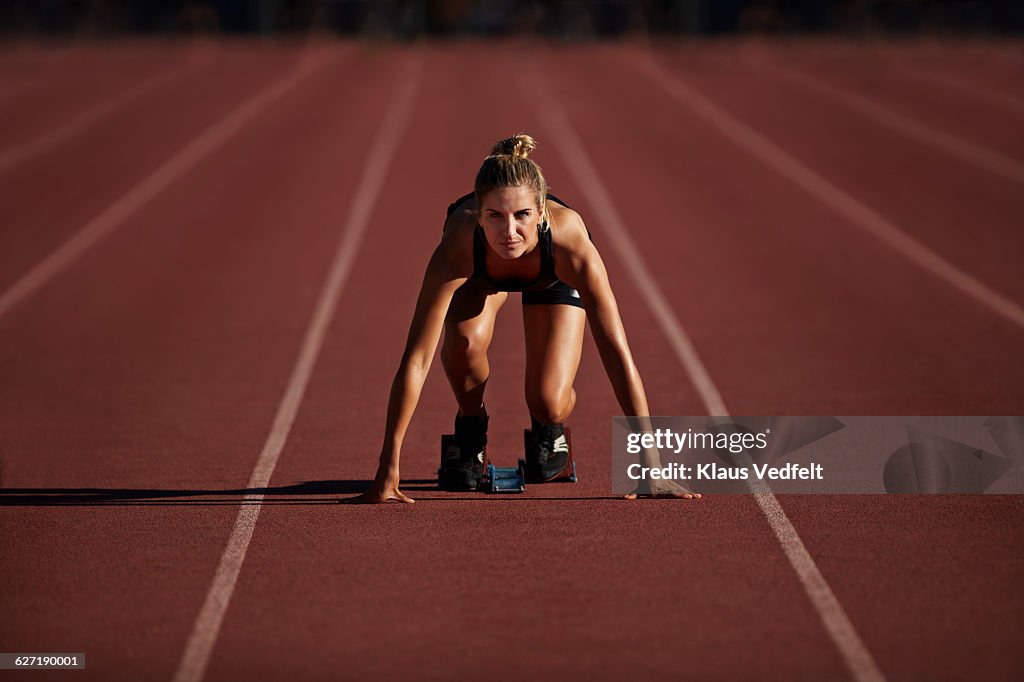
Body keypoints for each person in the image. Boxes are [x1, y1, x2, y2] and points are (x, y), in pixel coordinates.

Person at [350, 134, 699, 503]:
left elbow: (615, 351)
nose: (509, 232)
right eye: (494, 216)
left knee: (548, 400)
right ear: (477, 214)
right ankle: (470, 427)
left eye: (522, 215)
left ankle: (549, 428)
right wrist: (388, 468)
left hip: (552, 275)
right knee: (464, 343)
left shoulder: (572, 246)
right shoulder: (458, 246)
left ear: (542, 212)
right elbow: (417, 359)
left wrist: (652, 466)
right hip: (482, 275)